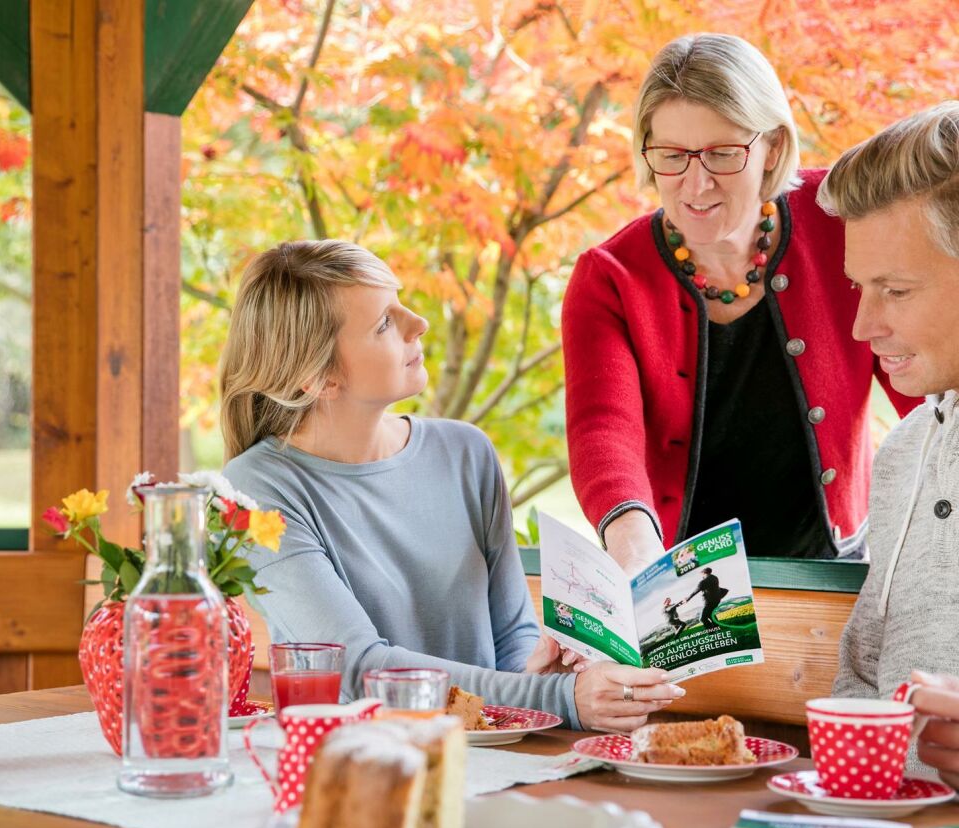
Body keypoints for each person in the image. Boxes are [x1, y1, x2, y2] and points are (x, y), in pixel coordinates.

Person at [220, 239, 684, 732]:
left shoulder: (467, 453)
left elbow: (509, 640)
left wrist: (543, 670)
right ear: (319, 377)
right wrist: (560, 697)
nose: (418, 322)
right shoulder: (253, 493)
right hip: (361, 770)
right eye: (383, 322)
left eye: (401, 302)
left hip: (493, 761)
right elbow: (354, 669)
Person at [561, 34, 918, 576]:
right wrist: (633, 548)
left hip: (833, 567)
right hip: (682, 578)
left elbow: (919, 372)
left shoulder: (842, 222)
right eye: (672, 156)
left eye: (723, 154)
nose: (695, 183)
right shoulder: (608, 278)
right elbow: (603, 430)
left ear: (772, 147)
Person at [818, 104, 959, 770]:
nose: (861, 326)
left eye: (895, 290)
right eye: (858, 288)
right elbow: (863, 684)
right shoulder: (904, 450)